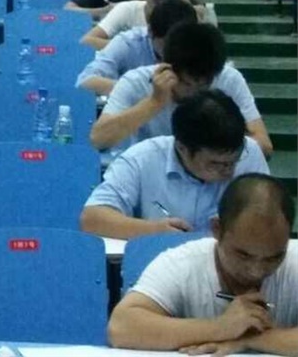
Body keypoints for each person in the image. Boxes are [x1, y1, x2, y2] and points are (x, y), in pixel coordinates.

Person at [108, 173, 297, 355]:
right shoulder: (181, 264)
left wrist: (249, 340)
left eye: (274, 257)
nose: (256, 271)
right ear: (217, 229)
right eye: (243, 255)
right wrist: (220, 327)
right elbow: (121, 327)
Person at [80, 90, 269, 240]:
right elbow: (92, 218)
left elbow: (270, 215)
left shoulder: (250, 152)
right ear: (182, 148)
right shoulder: (142, 158)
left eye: (235, 161)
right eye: (216, 164)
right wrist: (152, 231)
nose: (229, 171)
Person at [90, 23, 273, 157]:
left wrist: (214, 144)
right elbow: (99, 139)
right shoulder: (136, 82)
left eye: (203, 85)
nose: (194, 92)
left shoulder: (229, 79)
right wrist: (154, 102)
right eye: (186, 84)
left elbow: (264, 146)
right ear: (166, 67)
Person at [76, 0, 197, 96]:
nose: (175, 51)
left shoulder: (200, 47)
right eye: (167, 44)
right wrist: (138, 91)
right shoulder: (128, 43)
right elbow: (86, 81)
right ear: (150, 32)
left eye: (183, 44)